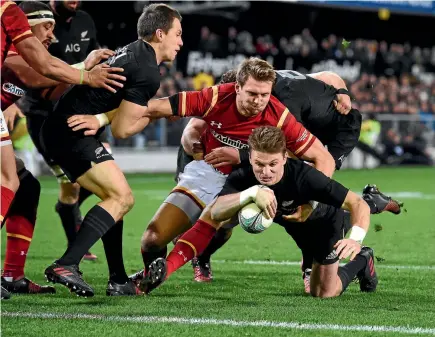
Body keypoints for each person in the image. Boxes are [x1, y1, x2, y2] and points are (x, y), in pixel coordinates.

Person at [88, 57, 333, 293]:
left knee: (237, 222)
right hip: (209, 172)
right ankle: (151, 275)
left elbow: (324, 158)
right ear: (237, 87)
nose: (259, 101)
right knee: (152, 240)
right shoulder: (215, 97)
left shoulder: (279, 116)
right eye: (252, 94)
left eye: (264, 95)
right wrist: (100, 118)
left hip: (252, 181)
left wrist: (310, 201)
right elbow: (153, 107)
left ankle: (310, 268)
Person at [176, 69, 400, 292]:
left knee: (304, 200)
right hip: (286, 138)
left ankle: (314, 262)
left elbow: (288, 154)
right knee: (230, 210)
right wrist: (199, 154)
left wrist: (243, 156)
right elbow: (192, 131)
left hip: (336, 130)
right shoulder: (230, 98)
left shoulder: (280, 105)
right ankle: (203, 256)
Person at [42, 3, 183, 298]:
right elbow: (123, 130)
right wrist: (155, 111)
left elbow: (118, 114)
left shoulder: (132, 51)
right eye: (177, 34)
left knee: (113, 198)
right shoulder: (148, 71)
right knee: (122, 197)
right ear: (160, 34)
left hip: (61, 126)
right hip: (73, 131)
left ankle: (118, 280)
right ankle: (67, 263)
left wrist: (107, 116)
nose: (181, 42)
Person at [147, 126, 378, 298]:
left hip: (322, 223)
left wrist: (356, 240)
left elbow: (358, 204)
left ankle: (362, 260)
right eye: (259, 164)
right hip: (290, 220)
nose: (265, 172)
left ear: (285, 157)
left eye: (272, 165)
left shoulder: (305, 177)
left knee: (324, 293)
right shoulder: (244, 176)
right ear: (251, 156)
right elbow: (214, 212)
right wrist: (249, 194)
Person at [0, 1, 114, 299]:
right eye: (46, 27)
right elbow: (36, 73)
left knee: (26, 186)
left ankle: (12, 275)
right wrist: (85, 70)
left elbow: (41, 80)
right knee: (8, 180)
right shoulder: (11, 25)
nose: (53, 36)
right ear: (26, 25)